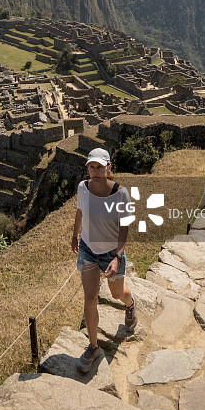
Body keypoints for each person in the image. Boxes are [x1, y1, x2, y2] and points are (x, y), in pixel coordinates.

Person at [71, 147, 137, 373]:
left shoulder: (121, 194)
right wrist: (74, 235)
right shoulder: (83, 187)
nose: (95, 171)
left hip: (112, 253)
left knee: (117, 294)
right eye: (91, 166)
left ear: (109, 167)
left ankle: (130, 304)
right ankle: (93, 346)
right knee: (90, 299)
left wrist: (118, 258)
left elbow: (124, 229)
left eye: (100, 167)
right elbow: (80, 211)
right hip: (88, 249)